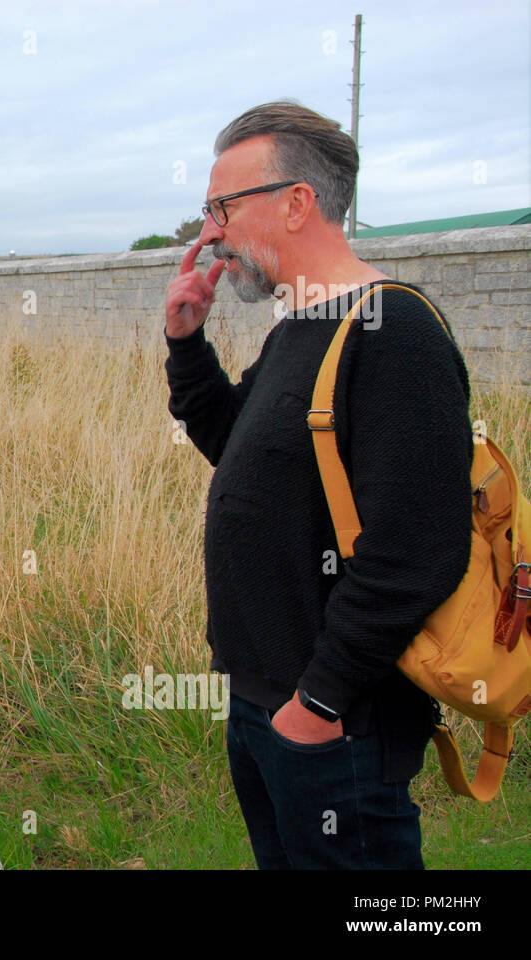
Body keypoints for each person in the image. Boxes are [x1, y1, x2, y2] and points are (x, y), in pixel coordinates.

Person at [163, 101, 472, 869]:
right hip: (265, 701)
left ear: (298, 203)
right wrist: (185, 343)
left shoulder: (393, 333)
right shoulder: (299, 326)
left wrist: (319, 703)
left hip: (339, 724)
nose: (211, 235)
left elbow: (417, 551)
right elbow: (238, 453)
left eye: (222, 208)